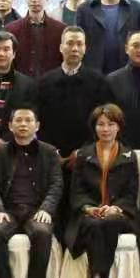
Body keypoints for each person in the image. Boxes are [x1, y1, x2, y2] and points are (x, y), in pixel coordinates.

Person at [66, 103, 140, 278]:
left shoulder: (129, 156)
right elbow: (76, 192)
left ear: (118, 127)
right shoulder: (83, 155)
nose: (105, 129)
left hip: (120, 214)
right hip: (89, 214)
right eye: (101, 124)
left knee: (108, 222)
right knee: (95, 224)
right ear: (94, 127)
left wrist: (115, 208)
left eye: (111, 124)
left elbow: (131, 194)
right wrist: (88, 207)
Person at [0, 105, 64, 278]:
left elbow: (56, 184)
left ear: (37, 126)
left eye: (28, 120)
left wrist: (46, 209)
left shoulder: (49, 152)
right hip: (8, 210)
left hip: (36, 210)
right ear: (10, 126)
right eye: (18, 120)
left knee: (42, 232)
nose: (23, 124)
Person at [36, 26, 113, 186]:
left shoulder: (98, 82)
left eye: (79, 44)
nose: (75, 48)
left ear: (85, 48)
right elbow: (38, 121)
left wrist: (83, 152)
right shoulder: (45, 82)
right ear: (60, 47)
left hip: (88, 158)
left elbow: (104, 122)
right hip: (50, 158)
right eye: (70, 43)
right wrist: (51, 151)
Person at [7, 0, 66, 78]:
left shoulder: (60, 29)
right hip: (21, 84)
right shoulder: (11, 29)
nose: (34, 0)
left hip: (51, 84)